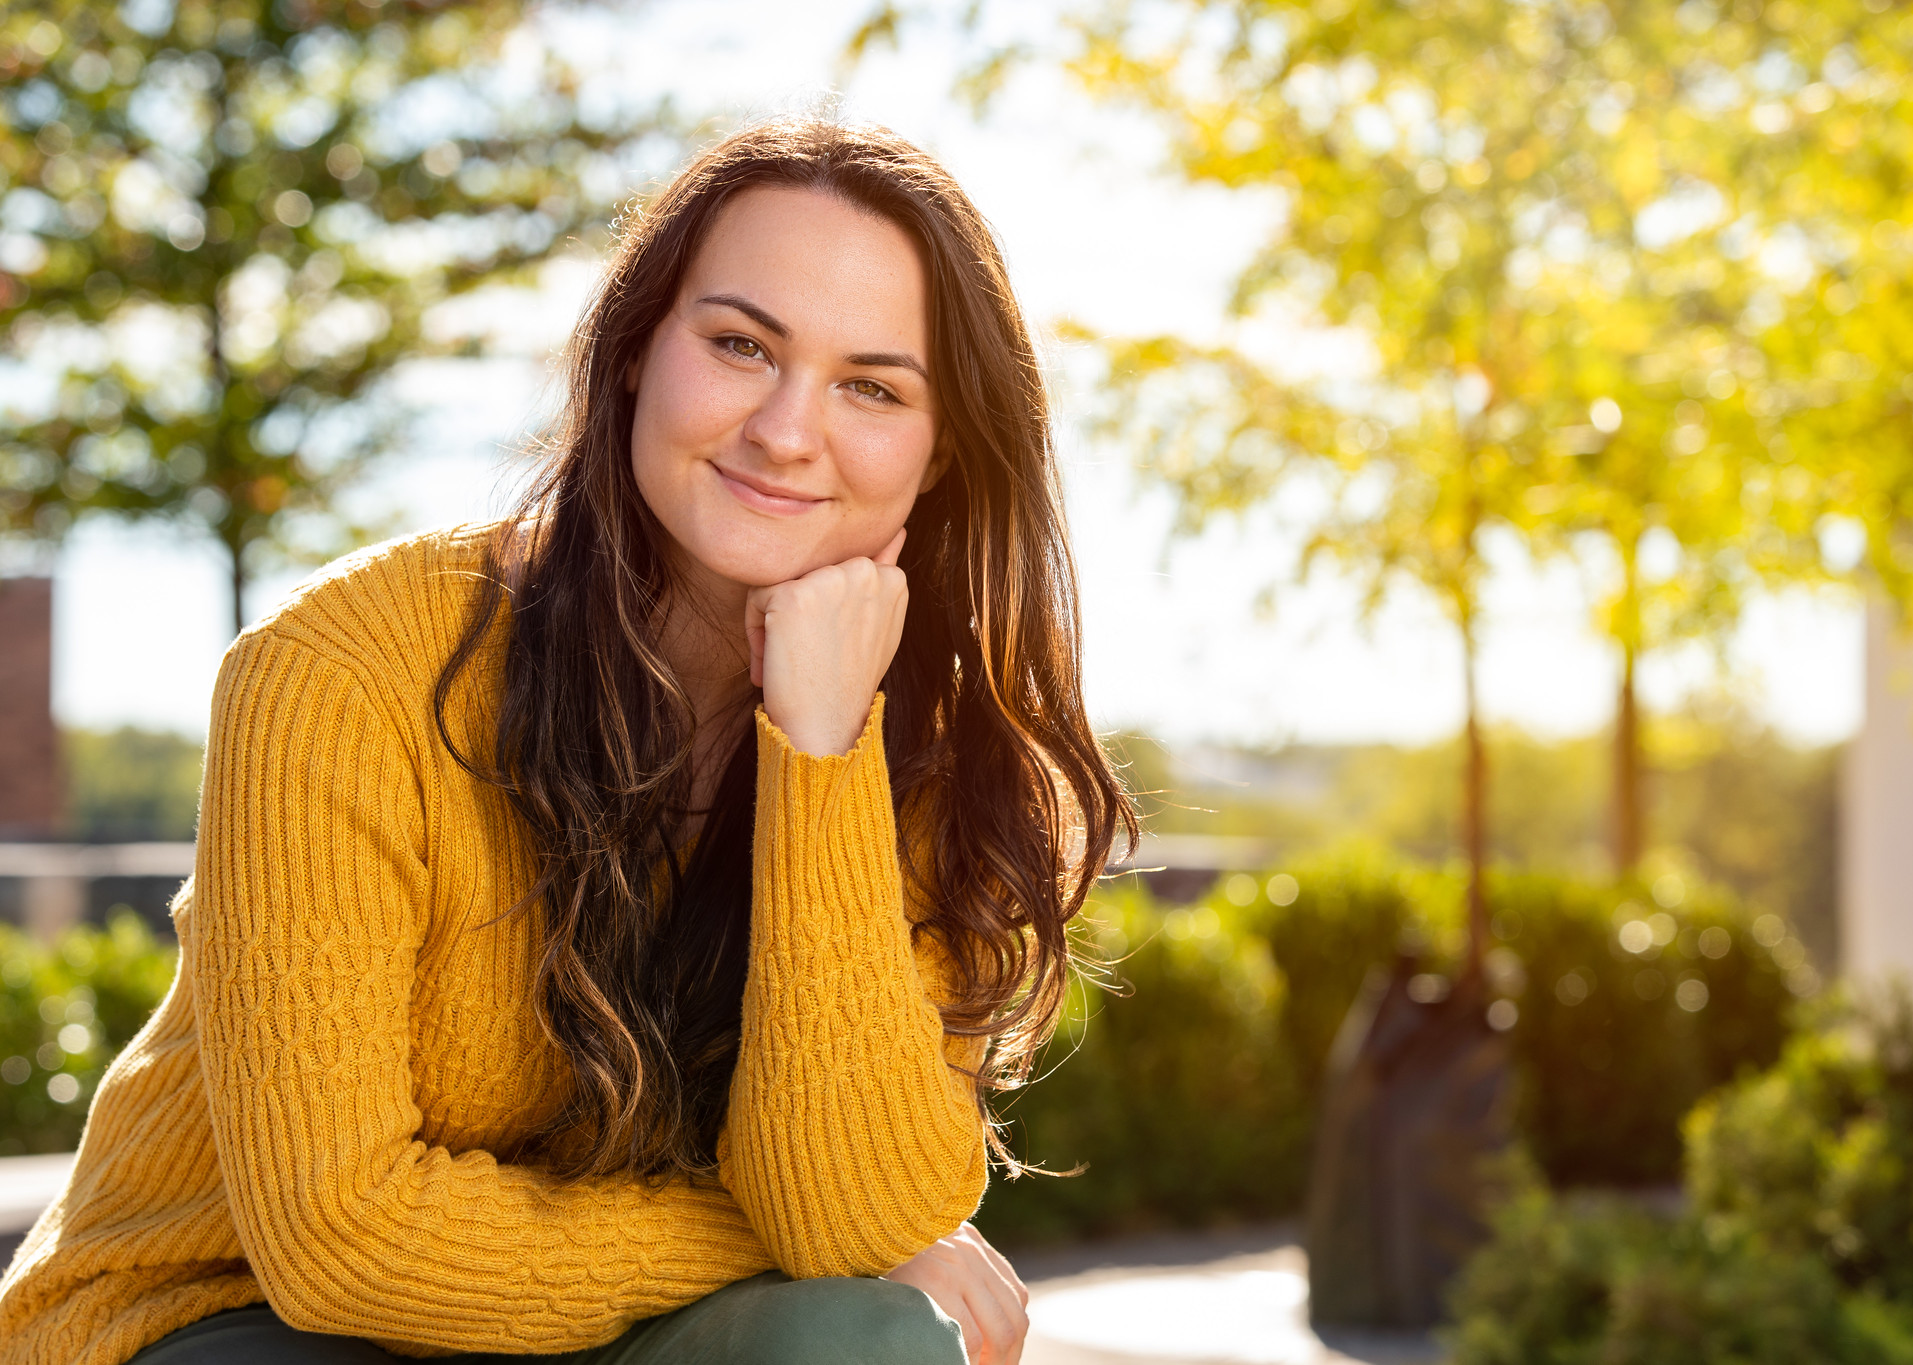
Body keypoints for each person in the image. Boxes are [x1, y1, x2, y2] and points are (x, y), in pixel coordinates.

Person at [0, 116, 1133, 1365]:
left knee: (859, 1335)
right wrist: (757, 1233)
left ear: (938, 456)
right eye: (740, 345)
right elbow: (341, 1242)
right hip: (225, 1319)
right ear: (638, 352)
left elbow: (854, 1217)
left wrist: (818, 752)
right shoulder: (339, 673)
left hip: (601, 1326)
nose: (787, 430)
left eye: (871, 385)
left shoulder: (926, 750)